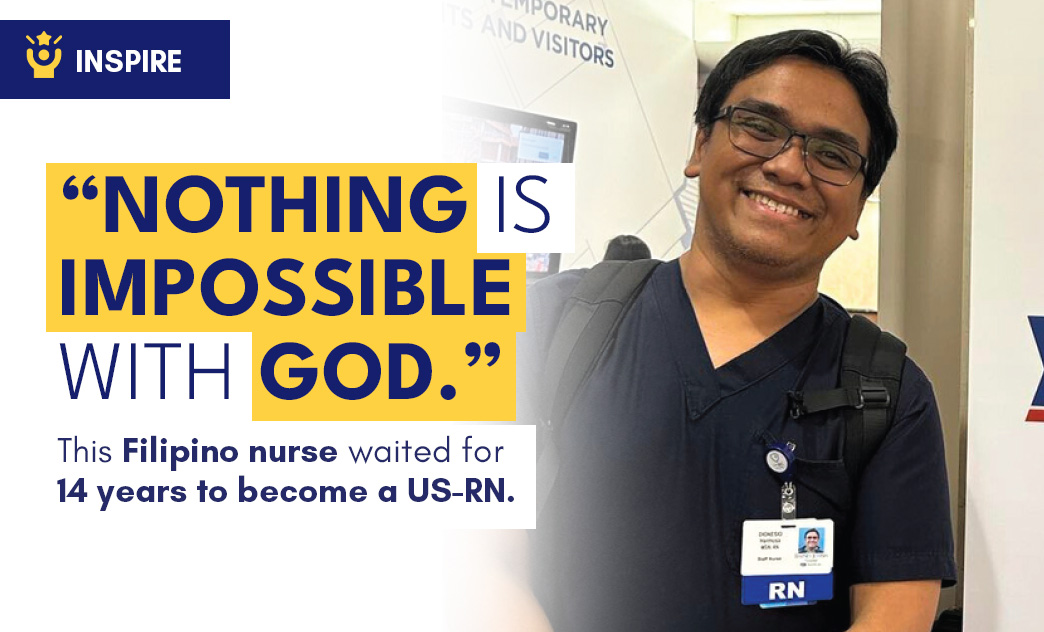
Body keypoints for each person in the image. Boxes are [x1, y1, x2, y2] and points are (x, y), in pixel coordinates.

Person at [510, 29, 956, 632]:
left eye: (833, 155)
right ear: (700, 145)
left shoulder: (889, 394)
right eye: (760, 126)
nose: (788, 166)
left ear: (859, 207)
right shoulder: (540, 325)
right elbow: (468, 558)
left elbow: (894, 616)